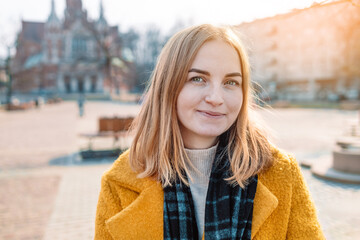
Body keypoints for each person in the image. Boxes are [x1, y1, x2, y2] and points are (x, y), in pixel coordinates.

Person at [94, 24, 324, 240]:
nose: (216, 98)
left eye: (231, 82)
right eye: (197, 79)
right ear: (168, 86)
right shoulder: (118, 183)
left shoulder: (282, 173)